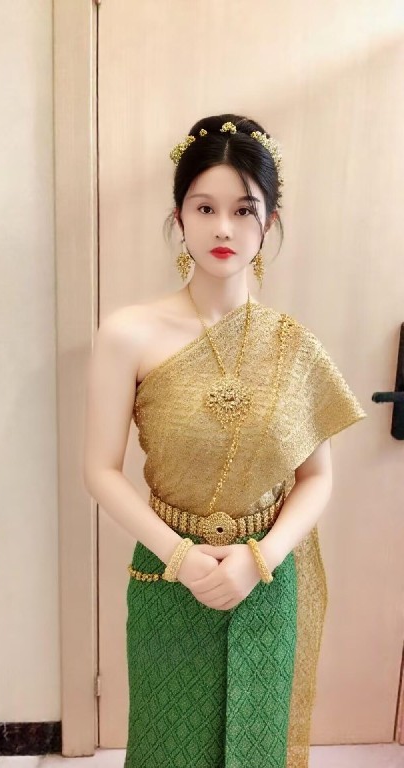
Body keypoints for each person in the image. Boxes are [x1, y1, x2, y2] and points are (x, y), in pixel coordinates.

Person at [83, 113, 367, 768]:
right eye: (204, 207)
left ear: (269, 223)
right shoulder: (128, 334)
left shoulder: (293, 345)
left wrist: (259, 559)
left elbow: (316, 478)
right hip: (166, 575)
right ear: (178, 216)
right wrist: (181, 558)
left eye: (244, 210)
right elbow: (99, 470)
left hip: (265, 580)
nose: (222, 228)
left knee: (256, 746)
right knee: (168, 745)